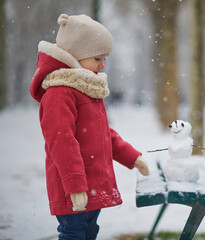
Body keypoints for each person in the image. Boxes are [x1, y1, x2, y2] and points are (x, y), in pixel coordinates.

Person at [30, 13, 149, 240]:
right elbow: (61, 141)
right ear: (76, 55)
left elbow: (103, 134)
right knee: (73, 233)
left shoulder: (86, 88)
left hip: (91, 184)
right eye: (97, 58)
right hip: (73, 186)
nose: (103, 64)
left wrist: (132, 157)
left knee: (89, 231)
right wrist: (75, 185)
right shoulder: (60, 92)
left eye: (105, 58)